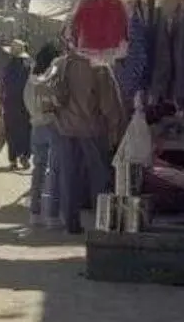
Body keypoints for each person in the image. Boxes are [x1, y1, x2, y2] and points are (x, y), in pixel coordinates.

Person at [51, 47, 125, 234]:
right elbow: (109, 104)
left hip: (65, 129)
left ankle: (71, 222)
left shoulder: (60, 64)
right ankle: (102, 222)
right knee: (99, 178)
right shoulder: (98, 67)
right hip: (92, 130)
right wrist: (117, 130)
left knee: (69, 177)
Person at [24, 42, 63, 228]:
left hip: (36, 126)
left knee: (38, 169)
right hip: (53, 126)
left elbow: (26, 101)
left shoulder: (32, 79)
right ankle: (52, 215)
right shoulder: (54, 78)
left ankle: (35, 211)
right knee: (55, 171)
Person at [0, 40, 33, 170]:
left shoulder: (8, 66)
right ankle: (25, 155)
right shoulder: (30, 65)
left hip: (10, 102)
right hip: (27, 102)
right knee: (26, 129)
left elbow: (2, 86)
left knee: (11, 131)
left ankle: (13, 160)